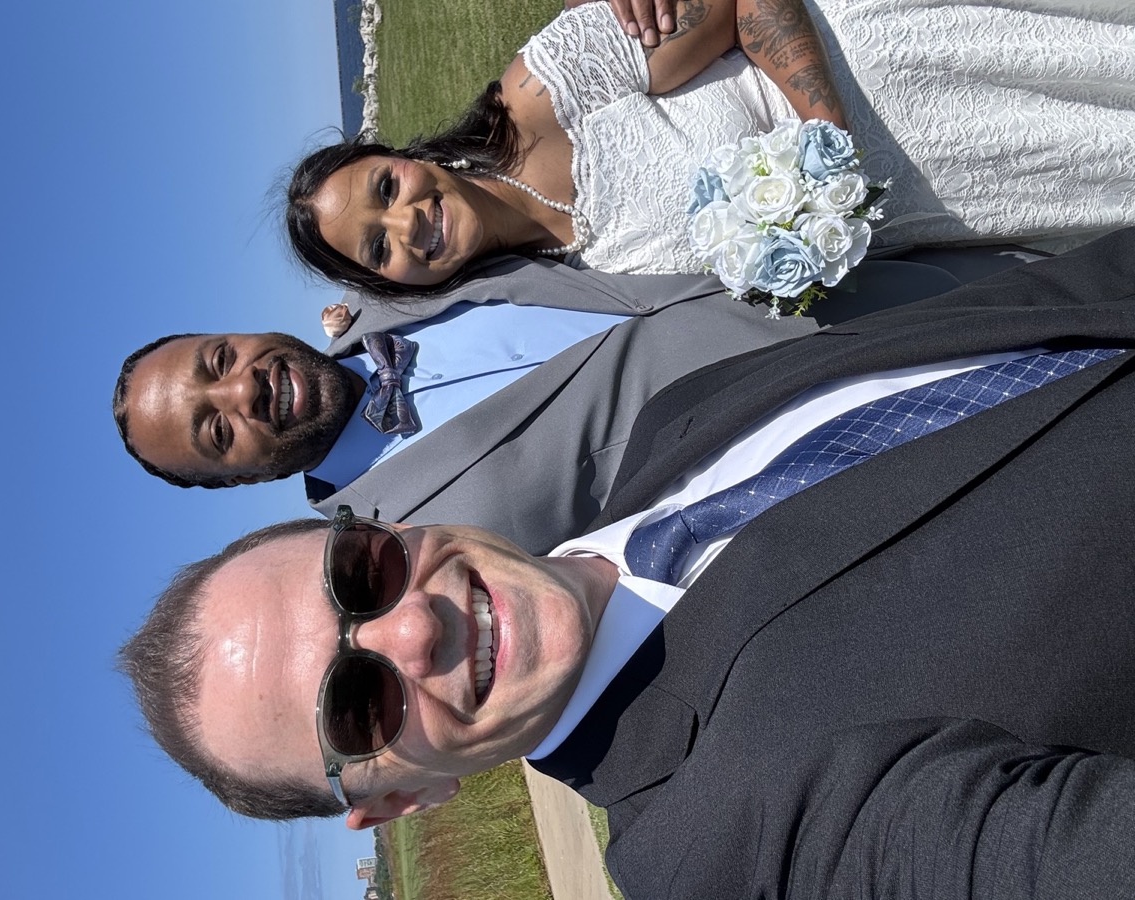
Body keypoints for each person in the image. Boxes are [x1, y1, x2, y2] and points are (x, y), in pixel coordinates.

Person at [121, 230, 1135, 896]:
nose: (414, 628)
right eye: (358, 705)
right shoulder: (731, 847)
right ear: (395, 802)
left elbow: (1045, 311)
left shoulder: (677, 427)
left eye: (358, 576)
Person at [115, 256, 985, 552]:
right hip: (898, 418)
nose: (244, 386)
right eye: (216, 426)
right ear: (234, 483)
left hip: (866, 268)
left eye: (218, 361)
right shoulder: (406, 549)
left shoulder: (388, 288)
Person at [284, 0, 1135, 298]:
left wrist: (824, 141)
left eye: (386, 188)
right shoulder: (551, 290)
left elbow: (734, 2)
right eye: (377, 246)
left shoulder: (537, 97)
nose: (407, 223)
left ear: (408, 157)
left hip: (895, 74)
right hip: (941, 207)